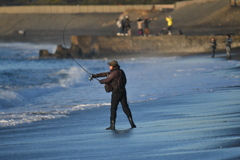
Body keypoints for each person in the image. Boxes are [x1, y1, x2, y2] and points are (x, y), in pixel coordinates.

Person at [91, 60, 136, 130]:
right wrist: (96, 75)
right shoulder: (121, 71)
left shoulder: (114, 73)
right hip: (123, 91)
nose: (109, 66)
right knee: (125, 107)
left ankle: (112, 125)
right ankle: (132, 123)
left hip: (116, 93)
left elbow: (107, 80)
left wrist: (100, 81)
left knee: (113, 108)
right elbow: (106, 74)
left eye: (110, 65)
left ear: (113, 66)